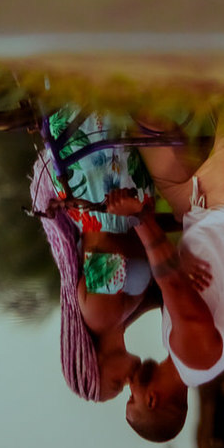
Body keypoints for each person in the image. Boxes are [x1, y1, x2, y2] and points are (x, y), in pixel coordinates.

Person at [107, 113, 224, 442]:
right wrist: (139, 218)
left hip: (198, 209)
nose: (129, 388)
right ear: (153, 400)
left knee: (143, 123)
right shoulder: (196, 359)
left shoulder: (176, 350)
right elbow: (170, 281)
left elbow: (169, 283)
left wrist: (114, 329)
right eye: (133, 398)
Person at [30, 109, 162, 402]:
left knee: (87, 88)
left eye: (115, 384)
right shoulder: (120, 317)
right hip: (111, 179)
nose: (127, 383)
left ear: (95, 363)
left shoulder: (102, 316)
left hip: (100, 173)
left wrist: (150, 237)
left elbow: (105, 241)